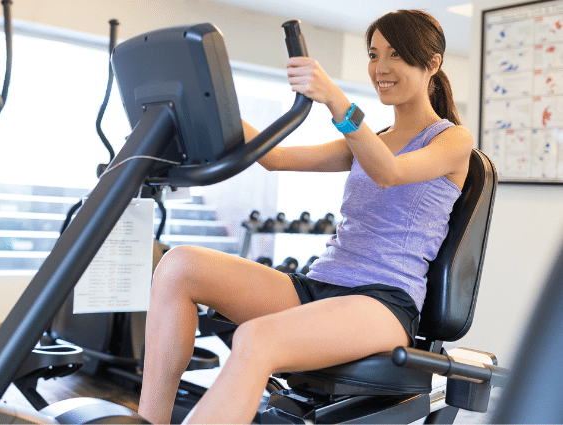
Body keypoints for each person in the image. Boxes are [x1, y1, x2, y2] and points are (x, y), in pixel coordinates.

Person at [137, 9, 473, 424]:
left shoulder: (453, 140)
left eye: (397, 55)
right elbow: (275, 158)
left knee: (255, 339)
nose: (381, 68)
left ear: (432, 64)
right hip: (317, 285)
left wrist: (334, 97)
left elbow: (390, 172)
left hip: (382, 303)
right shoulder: (372, 140)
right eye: (374, 54)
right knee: (178, 265)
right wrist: (202, 102)